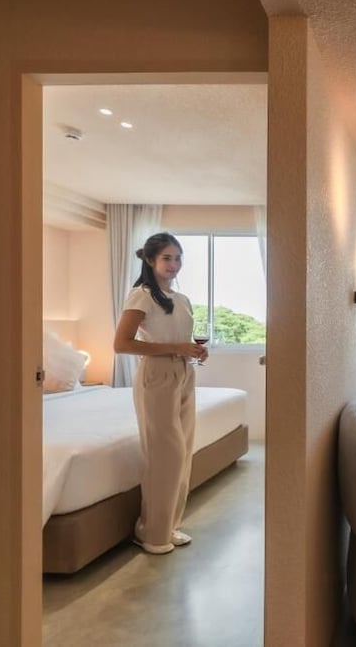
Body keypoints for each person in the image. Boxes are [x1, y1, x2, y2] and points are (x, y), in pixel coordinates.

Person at [114, 232, 208, 555]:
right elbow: (122, 344)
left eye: (178, 258)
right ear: (151, 260)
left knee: (183, 451)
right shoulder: (141, 295)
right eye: (167, 258)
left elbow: (178, 339)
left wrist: (193, 350)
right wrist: (176, 348)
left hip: (184, 373)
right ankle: (151, 533)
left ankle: (167, 526)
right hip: (156, 375)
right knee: (166, 455)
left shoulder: (181, 299)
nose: (174, 264)